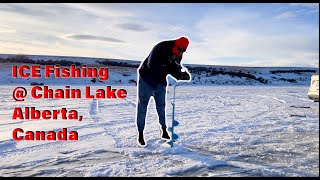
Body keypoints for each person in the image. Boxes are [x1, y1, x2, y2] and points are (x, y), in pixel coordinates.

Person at [136, 36, 191, 147]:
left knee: (161, 107)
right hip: (146, 80)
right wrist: (169, 68)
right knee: (142, 107)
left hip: (160, 82)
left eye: (183, 51)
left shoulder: (179, 54)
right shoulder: (161, 47)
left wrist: (181, 75)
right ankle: (140, 133)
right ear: (176, 44)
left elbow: (175, 67)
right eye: (180, 50)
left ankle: (164, 130)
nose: (181, 53)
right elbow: (152, 64)